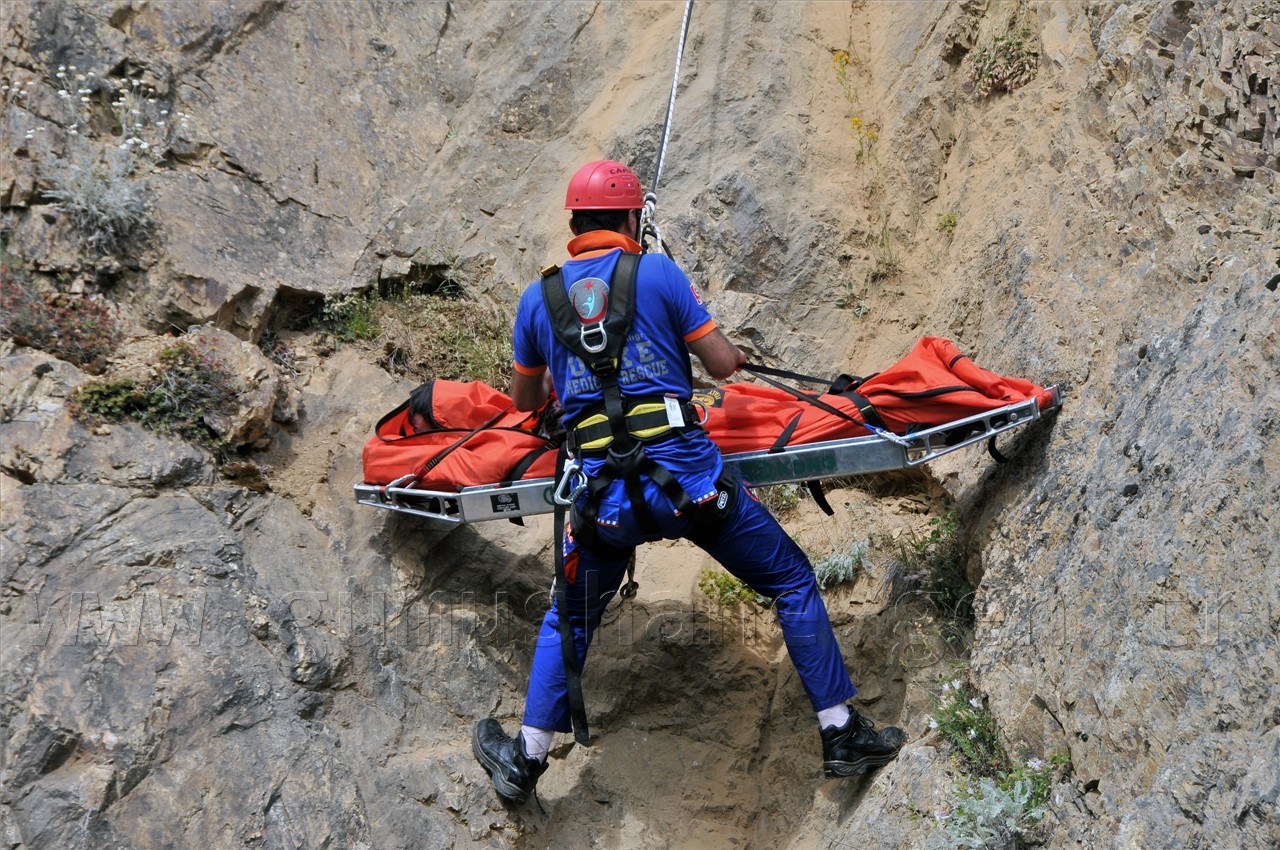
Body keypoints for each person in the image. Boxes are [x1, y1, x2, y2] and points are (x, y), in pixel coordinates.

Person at [472, 160, 905, 804]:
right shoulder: (657, 273)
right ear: (629, 219)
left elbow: (524, 402)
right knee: (789, 579)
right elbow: (725, 364)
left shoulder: (538, 299)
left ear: (573, 223)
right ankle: (840, 731)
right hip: (690, 489)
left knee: (570, 617)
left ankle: (527, 758)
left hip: (603, 507)